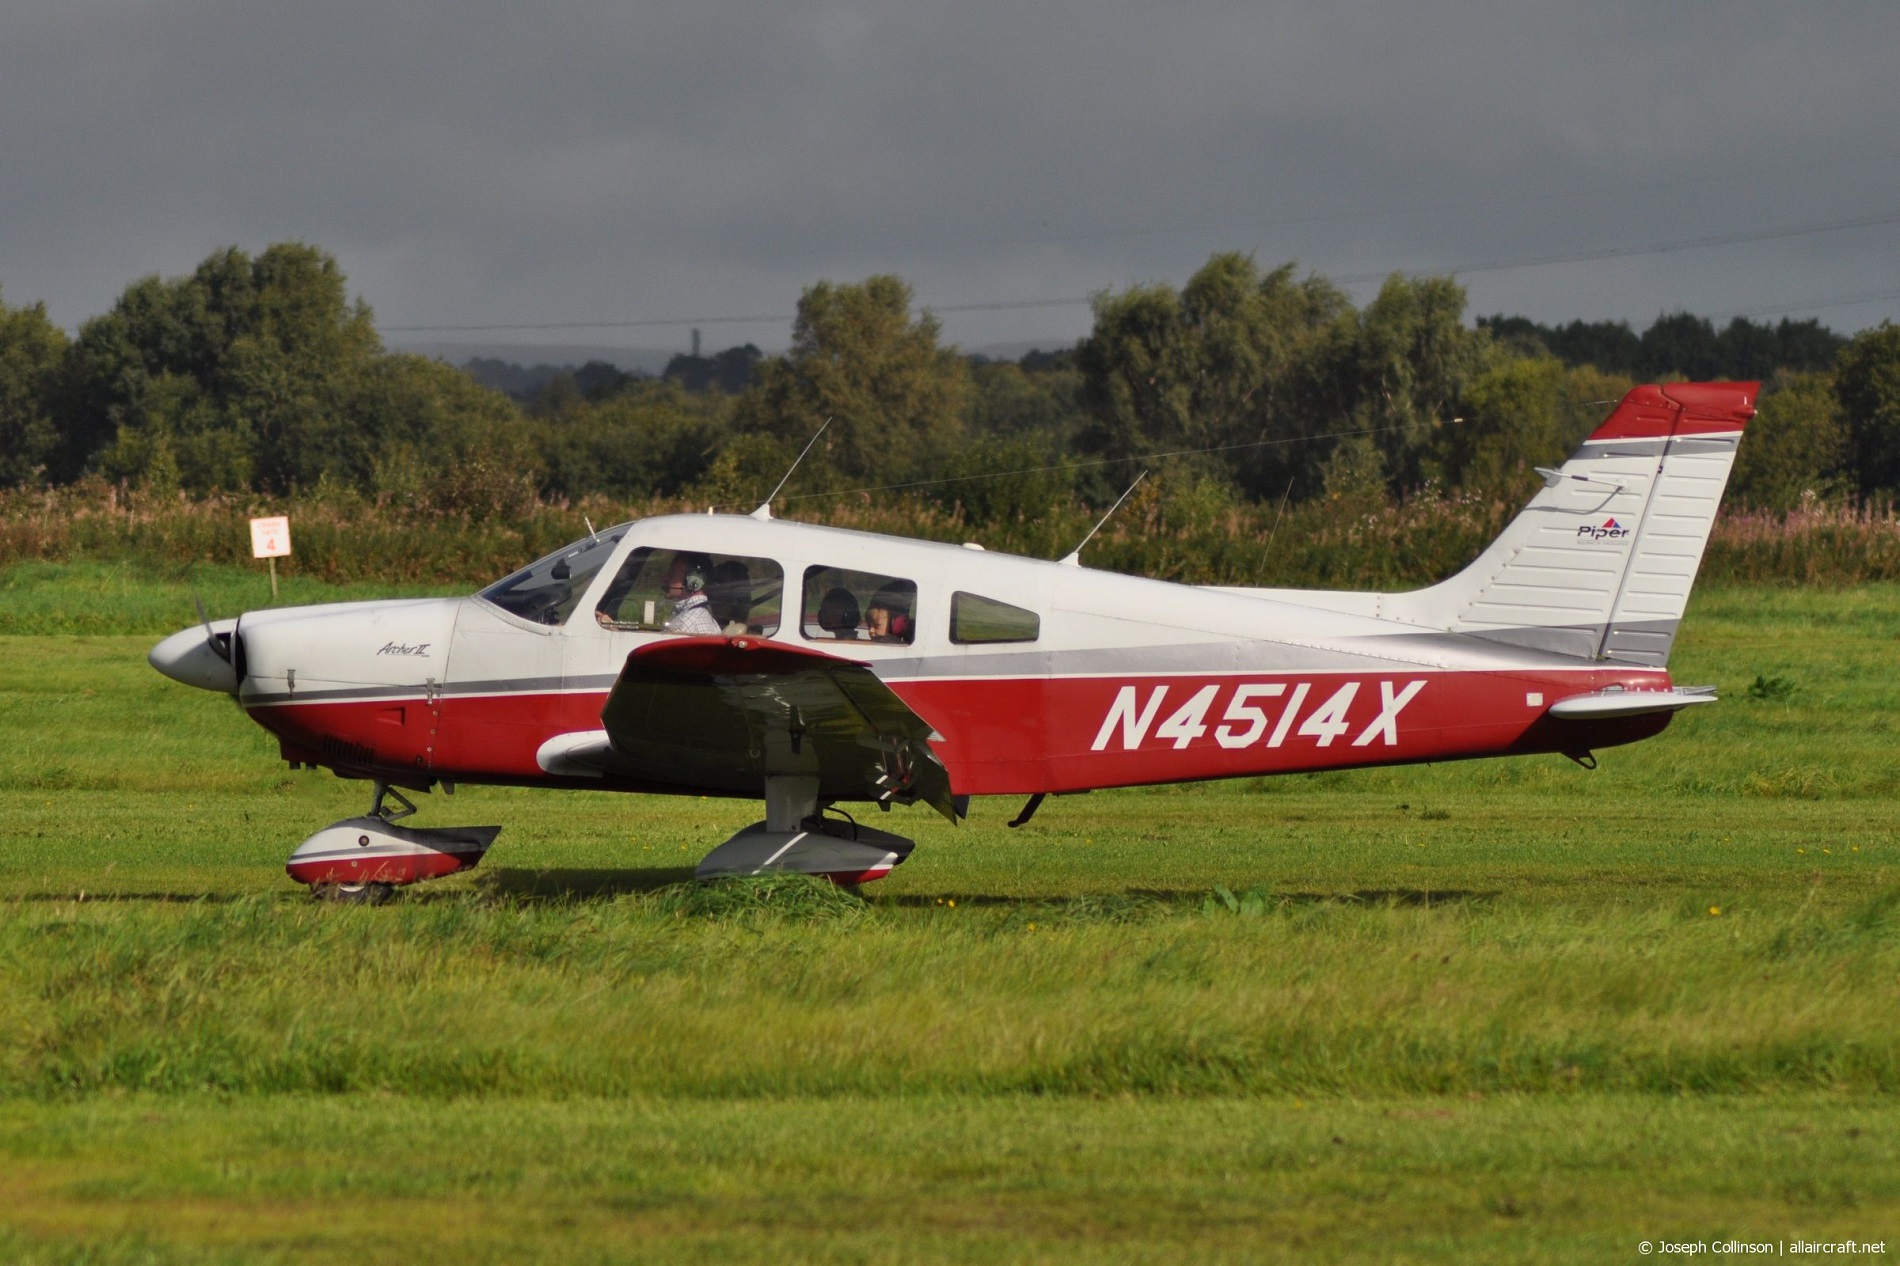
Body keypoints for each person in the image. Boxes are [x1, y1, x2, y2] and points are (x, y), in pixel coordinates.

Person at [661, 553, 722, 635]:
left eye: (672, 574)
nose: (665, 579)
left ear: (693, 581)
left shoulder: (682, 625)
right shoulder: (703, 615)